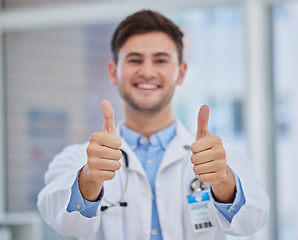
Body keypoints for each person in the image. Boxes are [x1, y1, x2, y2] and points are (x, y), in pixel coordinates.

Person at [38, 10, 269, 240]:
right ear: (113, 72)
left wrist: (224, 183)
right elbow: (59, 218)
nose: (147, 72)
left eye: (160, 60)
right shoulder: (80, 160)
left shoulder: (221, 157)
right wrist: (88, 180)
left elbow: (255, 219)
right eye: (134, 60)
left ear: (181, 72)